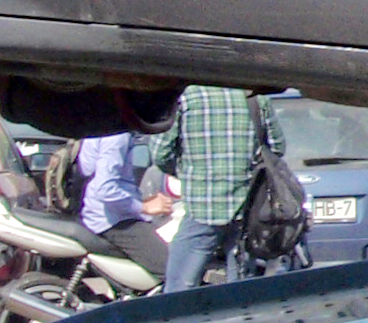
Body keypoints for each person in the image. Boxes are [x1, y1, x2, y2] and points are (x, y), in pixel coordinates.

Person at [158, 86, 280, 290]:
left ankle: (179, 320)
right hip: (247, 208)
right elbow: (276, 148)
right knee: (241, 290)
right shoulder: (255, 98)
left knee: (179, 288)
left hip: (202, 207)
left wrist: (189, 174)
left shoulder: (184, 98)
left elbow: (161, 153)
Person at [72, 131, 168, 280]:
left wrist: (139, 201)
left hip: (99, 214)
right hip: (116, 220)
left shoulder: (99, 127)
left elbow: (88, 170)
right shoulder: (117, 135)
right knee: (174, 270)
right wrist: (143, 208)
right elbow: (104, 189)